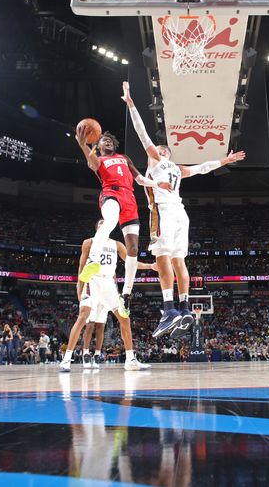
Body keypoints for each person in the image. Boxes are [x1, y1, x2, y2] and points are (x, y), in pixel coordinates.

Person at [122, 81, 246, 339]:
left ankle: (169, 310)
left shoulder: (156, 161)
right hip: (182, 215)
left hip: (165, 213)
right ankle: (185, 307)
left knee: (162, 258)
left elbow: (142, 133)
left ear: (160, 153)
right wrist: (226, 160)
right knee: (179, 260)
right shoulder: (178, 169)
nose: (152, 152)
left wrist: (131, 104)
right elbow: (203, 167)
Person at [74, 122, 169, 317]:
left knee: (133, 249)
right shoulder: (97, 158)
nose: (107, 141)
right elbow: (91, 164)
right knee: (109, 220)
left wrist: (157, 183)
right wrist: (83, 145)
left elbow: (140, 179)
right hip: (110, 193)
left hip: (130, 199)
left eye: (109, 140)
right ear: (98, 145)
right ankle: (93, 261)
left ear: (114, 144)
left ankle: (125, 294)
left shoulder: (124, 158)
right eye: (103, 140)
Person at [60, 220, 154, 372]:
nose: (104, 224)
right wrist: (79, 288)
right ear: (96, 227)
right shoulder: (88, 242)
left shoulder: (117, 245)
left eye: (106, 222)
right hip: (93, 280)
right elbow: (81, 268)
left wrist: (150, 266)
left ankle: (130, 359)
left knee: (125, 318)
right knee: (83, 316)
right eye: (100, 223)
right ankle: (66, 359)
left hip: (109, 283)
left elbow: (131, 262)